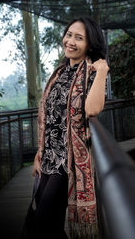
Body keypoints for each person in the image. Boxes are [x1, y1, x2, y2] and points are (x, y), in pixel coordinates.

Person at [32, 16, 109, 239]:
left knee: (44, 219)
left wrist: (102, 71)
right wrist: (40, 152)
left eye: (79, 38)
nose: (71, 41)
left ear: (90, 44)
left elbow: (92, 110)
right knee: (48, 223)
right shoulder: (59, 73)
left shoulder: (92, 72)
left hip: (69, 161)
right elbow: (50, 118)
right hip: (48, 158)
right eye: (69, 35)